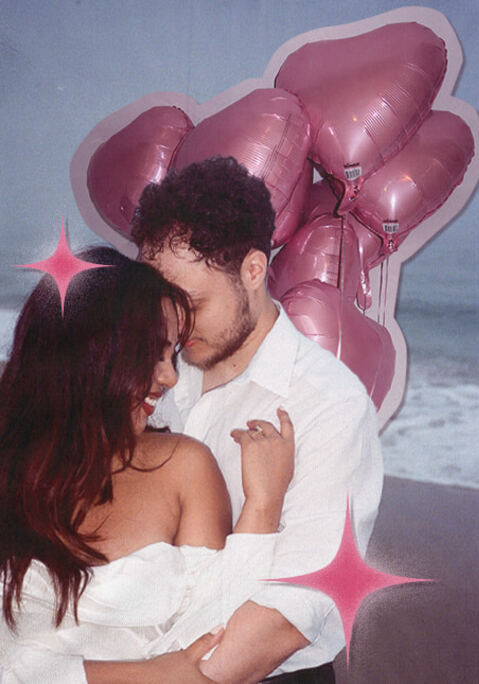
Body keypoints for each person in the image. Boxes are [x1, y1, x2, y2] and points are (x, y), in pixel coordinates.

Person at [130, 156, 384, 683]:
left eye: (192, 302)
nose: (176, 325)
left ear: (252, 270)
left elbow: (290, 614)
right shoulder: (151, 372)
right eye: (163, 303)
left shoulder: (329, 403)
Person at [0, 247, 295, 683]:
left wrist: (264, 505)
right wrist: (145, 675)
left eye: (172, 355)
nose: (170, 377)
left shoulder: (183, 467)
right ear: (91, 350)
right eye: (154, 354)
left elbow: (214, 636)